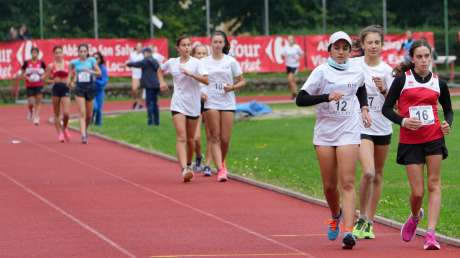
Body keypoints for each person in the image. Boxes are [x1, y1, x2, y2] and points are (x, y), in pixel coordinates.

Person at [296, 31, 371, 249]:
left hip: (349, 130)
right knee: (329, 185)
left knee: (347, 182)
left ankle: (348, 232)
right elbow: (301, 99)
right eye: (336, 48)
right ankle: (335, 213)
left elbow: (360, 88)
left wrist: (364, 108)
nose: (341, 52)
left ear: (350, 50)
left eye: (345, 48)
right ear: (330, 50)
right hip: (325, 133)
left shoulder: (356, 70)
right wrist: (326, 96)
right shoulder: (321, 72)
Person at [382, 40, 453, 250]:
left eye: (427, 56)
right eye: (419, 57)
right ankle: (415, 216)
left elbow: (448, 109)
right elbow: (386, 109)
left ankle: (431, 234)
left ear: (431, 57)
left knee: (434, 185)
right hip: (410, 141)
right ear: (412, 59)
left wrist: (448, 123)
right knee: (418, 192)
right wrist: (403, 121)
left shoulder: (439, 83)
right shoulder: (403, 80)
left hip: (434, 138)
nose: (423, 60)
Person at [352, 25, 394, 240]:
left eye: (377, 42)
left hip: (383, 127)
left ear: (382, 45)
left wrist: (384, 90)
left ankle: (369, 220)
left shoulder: (388, 71)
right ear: (362, 44)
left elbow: (395, 107)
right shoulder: (354, 65)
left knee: (377, 175)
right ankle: (359, 215)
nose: (373, 46)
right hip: (361, 127)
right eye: (369, 42)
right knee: (368, 172)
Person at [162, 36, 209, 182]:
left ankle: (189, 165)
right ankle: (184, 169)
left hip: (193, 104)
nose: (187, 47)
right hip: (178, 103)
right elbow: (159, 70)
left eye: (189, 45)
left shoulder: (197, 63)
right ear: (178, 48)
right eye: (183, 45)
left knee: (191, 139)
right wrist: (161, 82)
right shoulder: (172, 63)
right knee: (181, 136)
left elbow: (206, 80)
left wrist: (191, 74)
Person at [202, 30, 246, 182]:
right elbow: (198, 81)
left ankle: (222, 161)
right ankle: (221, 169)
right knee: (215, 137)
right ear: (211, 43)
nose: (218, 45)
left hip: (227, 101)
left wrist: (232, 87)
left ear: (225, 44)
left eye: (221, 42)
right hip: (211, 101)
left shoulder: (231, 61)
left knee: (225, 138)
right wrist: (202, 92)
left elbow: (242, 81)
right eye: (215, 42)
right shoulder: (204, 62)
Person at [69, 44, 101, 144]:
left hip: (90, 88)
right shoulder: (74, 62)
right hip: (79, 88)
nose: (82, 53)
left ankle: (85, 130)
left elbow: (99, 73)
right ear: (78, 52)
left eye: (84, 51)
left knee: (89, 115)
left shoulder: (91, 60)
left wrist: (90, 71)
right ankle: (83, 135)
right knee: (82, 113)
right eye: (81, 51)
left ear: (87, 52)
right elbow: (71, 73)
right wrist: (71, 82)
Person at [126, 48, 167, 126]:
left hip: (149, 85)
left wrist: (128, 64)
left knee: (149, 103)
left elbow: (136, 64)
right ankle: (157, 121)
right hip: (156, 85)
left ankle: (150, 121)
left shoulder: (146, 60)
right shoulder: (155, 61)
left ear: (147, 53)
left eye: (144, 53)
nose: (143, 55)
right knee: (155, 103)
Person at [191, 44, 211, 175]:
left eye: (204, 53)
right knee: (196, 137)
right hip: (195, 104)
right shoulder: (191, 69)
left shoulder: (211, 68)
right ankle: (198, 157)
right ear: (193, 55)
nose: (201, 56)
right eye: (198, 53)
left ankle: (207, 166)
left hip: (210, 104)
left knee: (211, 136)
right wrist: (199, 94)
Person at [44, 45, 71, 142]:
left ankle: (64, 128)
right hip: (56, 89)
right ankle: (59, 133)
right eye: (56, 53)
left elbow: (72, 76)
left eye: (60, 52)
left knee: (66, 114)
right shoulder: (51, 66)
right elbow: (44, 79)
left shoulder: (68, 64)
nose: (59, 54)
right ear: (54, 54)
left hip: (65, 89)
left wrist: (70, 82)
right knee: (57, 114)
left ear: (63, 53)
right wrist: (53, 81)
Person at [20, 47, 46, 125]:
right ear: (31, 53)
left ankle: (36, 117)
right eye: (33, 53)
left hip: (39, 85)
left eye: (36, 53)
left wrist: (42, 77)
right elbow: (22, 72)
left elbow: (46, 72)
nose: (34, 54)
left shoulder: (41, 63)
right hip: (30, 85)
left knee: (38, 101)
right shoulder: (27, 62)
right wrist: (27, 78)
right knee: (31, 102)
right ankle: (30, 111)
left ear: (38, 54)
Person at [92, 52, 109, 126]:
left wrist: (96, 81)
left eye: (97, 58)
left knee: (99, 109)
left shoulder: (103, 68)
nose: (95, 60)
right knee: (94, 107)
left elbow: (105, 80)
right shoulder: (90, 67)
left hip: (99, 91)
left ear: (100, 59)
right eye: (94, 58)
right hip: (91, 91)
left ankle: (98, 124)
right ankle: (90, 118)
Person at [128, 42, 144, 109]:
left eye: (140, 46)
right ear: (136, 47)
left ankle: (139, 103)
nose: (139, 48)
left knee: (140, 89)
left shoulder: (143, 55)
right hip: (135, 74)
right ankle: (135, 101)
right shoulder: (132, 54)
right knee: (134, 89)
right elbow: (130, 62)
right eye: (138, 46)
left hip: (142, 74)